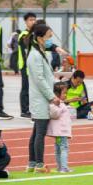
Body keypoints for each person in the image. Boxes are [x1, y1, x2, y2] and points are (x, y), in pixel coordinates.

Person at [27, 24, 61, 173]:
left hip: (42, 98)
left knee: (36, 132)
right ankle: (39, 164)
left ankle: (32, 163)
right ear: (40, 38)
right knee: (40, 133)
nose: (50, 40)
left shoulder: (41, 53)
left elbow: (45, 77)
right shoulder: (34, 55)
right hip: (40, 99)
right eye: (48, 37)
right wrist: (51, 96)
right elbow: (39, 79)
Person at [47, 83, 73, 173]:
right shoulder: (57, 104)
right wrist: (60, 106)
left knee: (58, 149)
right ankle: (64, 167)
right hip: (62, 131)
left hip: (59, 132)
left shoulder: (60, 103)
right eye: (64, 93)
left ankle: (60, 167)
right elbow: (55, 114)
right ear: (57, 94)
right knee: (63, 148)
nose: (65, 95)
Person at [18, 12, 37, 118]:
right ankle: (24, 110)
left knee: (33, 87)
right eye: (30, 20)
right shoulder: (23, 35)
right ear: (25, 22)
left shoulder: (35, 34)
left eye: (34, 19)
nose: (33, 22)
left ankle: (31, 109)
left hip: (34, 65)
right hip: (25, 65)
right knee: (26, 87)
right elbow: (26, 51)